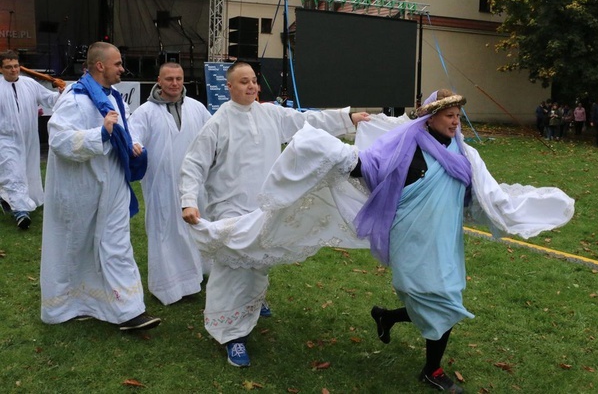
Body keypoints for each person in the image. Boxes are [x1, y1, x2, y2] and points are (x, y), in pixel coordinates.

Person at [353, 90, 574, 393]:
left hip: (444, 237)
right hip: (411, 235)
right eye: (449, 116)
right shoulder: (407, 148)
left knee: (444, 298)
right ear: (431, 119)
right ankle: (415, 348)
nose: (456, 122)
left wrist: (526, 208)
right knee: (426, 295)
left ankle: (405, 338)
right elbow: (370, 168)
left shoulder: (466, 154)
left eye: (458, 116)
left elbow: (488, 193)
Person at [179, 61, 370, 367]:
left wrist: (347, 118)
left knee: (259, 259)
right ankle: (231, 335)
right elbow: (193, 163)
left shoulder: (270, 114)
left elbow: (309, 122)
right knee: (231, 269)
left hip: (262, 205)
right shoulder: (218, 122)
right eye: (243, 82)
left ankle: (253, 303)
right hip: (229, 207)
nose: (251, 86)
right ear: (229, 87)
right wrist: (189, 200)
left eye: (253, 81)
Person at [40, 42, 160, 331]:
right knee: (76, 246)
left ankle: (130, 310)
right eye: (118, 64)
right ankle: (75, 303)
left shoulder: (116, 97)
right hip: (81, 188)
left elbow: (127, 128)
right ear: (100, 66)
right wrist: (100, 134)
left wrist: (134, 145)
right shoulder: (74, 98)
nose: (122, 68)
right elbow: (58, 140)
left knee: (117, 243)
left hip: (113, 184)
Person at [128, 62, 211, 305]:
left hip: (195, 182)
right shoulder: (145, 111)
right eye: (169, 79)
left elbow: (212, 134)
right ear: (159, 81)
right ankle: (170, 284)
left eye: (178, 78)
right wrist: (135, 145)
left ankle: (197, 274)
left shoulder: (196, 108)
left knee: (195, 225)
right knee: (165, 230)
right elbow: (134, 135)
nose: (174, 83)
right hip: (161, 183)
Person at [0, 50, 62, 229]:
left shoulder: (30, 84)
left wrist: (60, 93)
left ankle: (15, 199)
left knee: (27, 170)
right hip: (5, 138)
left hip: (29, 138)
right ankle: (21, 211)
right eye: (8, 67)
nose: (13, 70)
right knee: (12, 171)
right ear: (1, 69)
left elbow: (49, 100)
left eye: (16, 66)